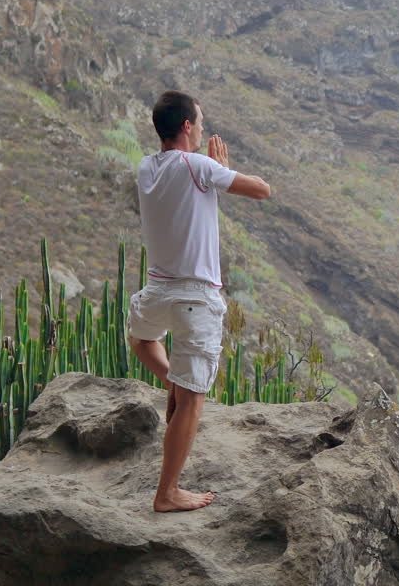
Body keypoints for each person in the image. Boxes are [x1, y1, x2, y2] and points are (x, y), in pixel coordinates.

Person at [126, 90, 271, 512]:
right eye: (201, 122)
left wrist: (211, 175)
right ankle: (167, 493)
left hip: (156, 292)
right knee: (191, 397)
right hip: (197, 299)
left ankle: (173, 378)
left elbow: (185, 196)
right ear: (187, 126)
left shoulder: (146, 167)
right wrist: (221, 169)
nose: (204, 129)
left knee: (141, 341)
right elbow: (262, 190)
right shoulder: (200, 166)